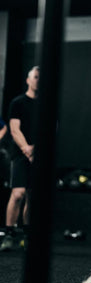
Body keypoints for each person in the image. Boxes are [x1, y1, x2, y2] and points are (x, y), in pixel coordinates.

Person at [0, 66, 39, 251]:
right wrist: (27, 149)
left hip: (39, 154)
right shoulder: (18, 102)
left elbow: (49, 130)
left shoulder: (46, 104)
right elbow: (14, 129)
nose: (38, 80)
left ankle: (27, 234)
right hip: (20, 155)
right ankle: (8, 233)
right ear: (28, 80)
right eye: (36, 77)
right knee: (18, 194)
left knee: (32, 196)